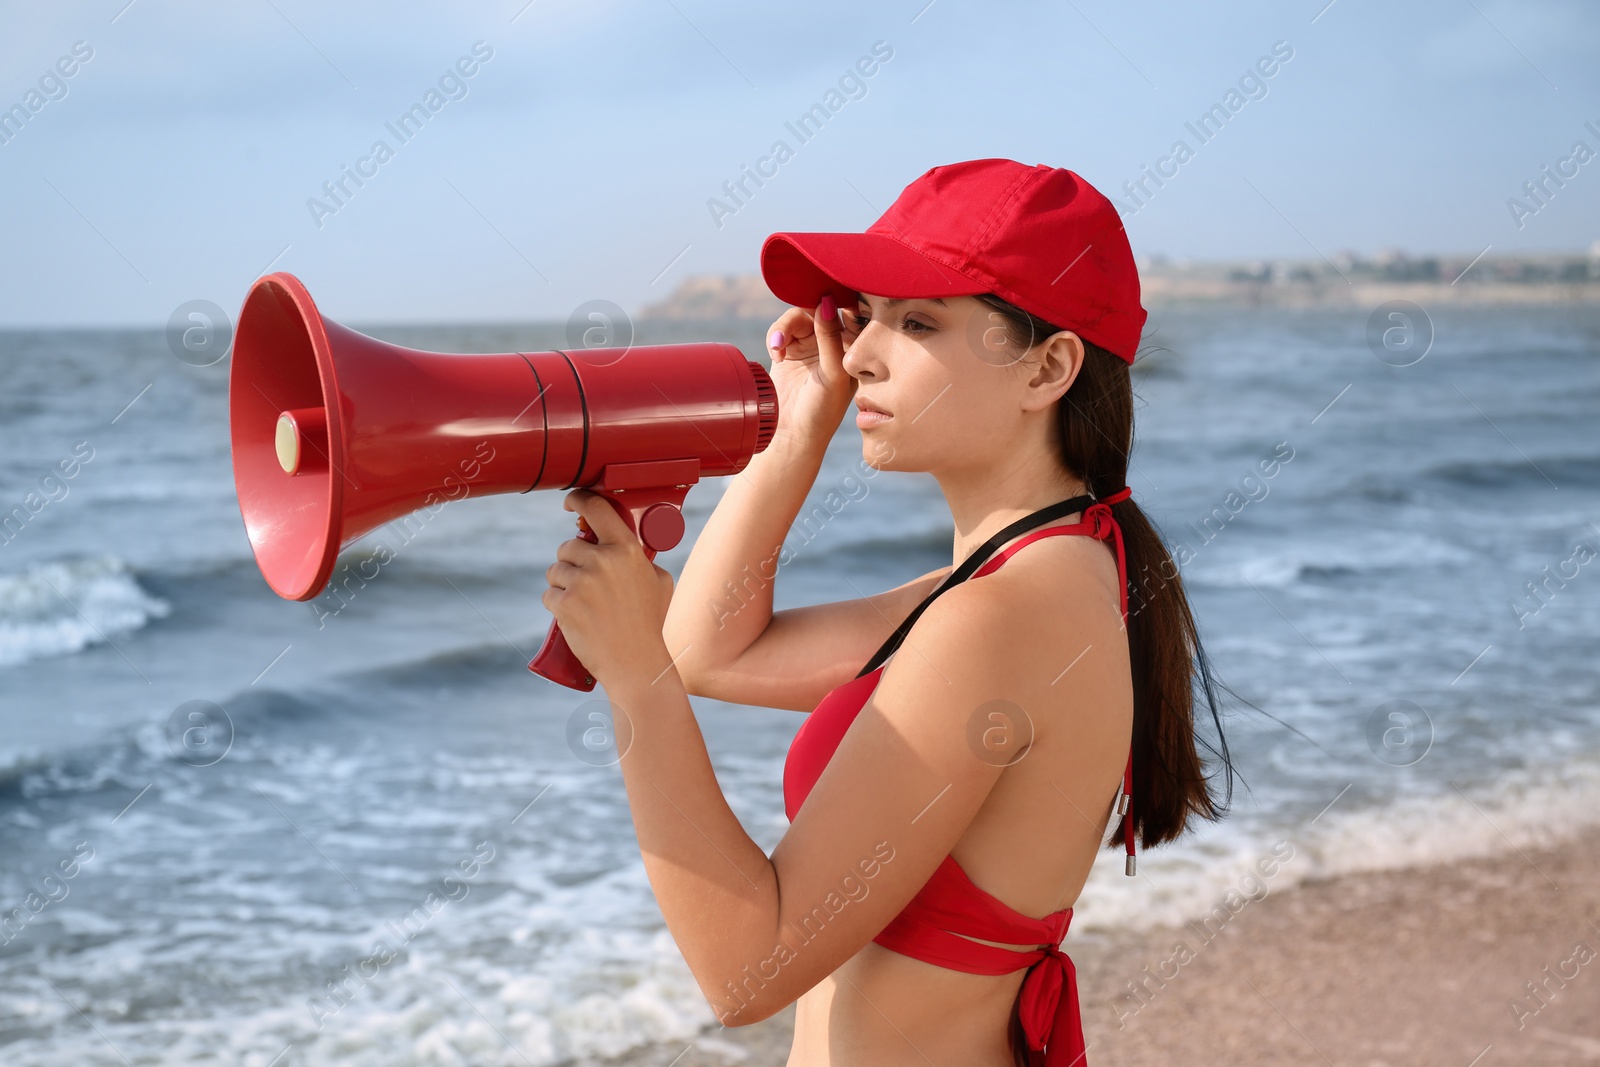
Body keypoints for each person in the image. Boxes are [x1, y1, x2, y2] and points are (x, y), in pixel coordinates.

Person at [541, 158, 1235, 1066]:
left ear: (1048, 367)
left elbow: (744, 973)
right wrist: (797, 433)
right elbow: (712, 650)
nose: (860, 353)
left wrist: (638, 687)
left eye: (916, 321)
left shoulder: (999, 617)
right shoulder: (1044, 573)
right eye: (864, 315)